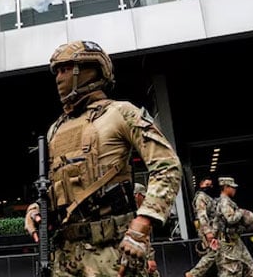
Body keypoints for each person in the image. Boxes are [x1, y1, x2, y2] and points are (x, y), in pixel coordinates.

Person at [24, 40, 182, 277]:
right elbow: (59, 184)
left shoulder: (121, 113)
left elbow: (167, 166)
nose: (59, 77)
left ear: (89, 70)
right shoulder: (55, 130)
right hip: (66, 256)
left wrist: (144, 222)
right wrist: (37, 209)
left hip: (114, 252)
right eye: (57, 71)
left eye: (66, 69)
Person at [214, 177, 253, 277]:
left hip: (234, 240)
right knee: (231, 271)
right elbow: (231, 219)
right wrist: (240, 212)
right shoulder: (224, 202)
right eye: (232, 187)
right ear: (225, 187)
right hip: (229, 243)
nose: (234, 190)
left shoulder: (227, 201)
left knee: (250, 267)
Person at [185, 176, 219, 277]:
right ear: (201, 185)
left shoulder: (209, 197)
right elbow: (202, 215)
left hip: (213, 229)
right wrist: (208, 232)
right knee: (213, 253)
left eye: (210, 185)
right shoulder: (201, 197)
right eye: (207, 185)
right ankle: (193, 273)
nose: (209, 187)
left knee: (216, 253)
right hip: (207, 230)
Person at [133, 183, 159, 277]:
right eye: (143, 196)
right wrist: (150, 259)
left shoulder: (141, 214)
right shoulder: (135, 216)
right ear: (137, 195)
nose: (145, 200)